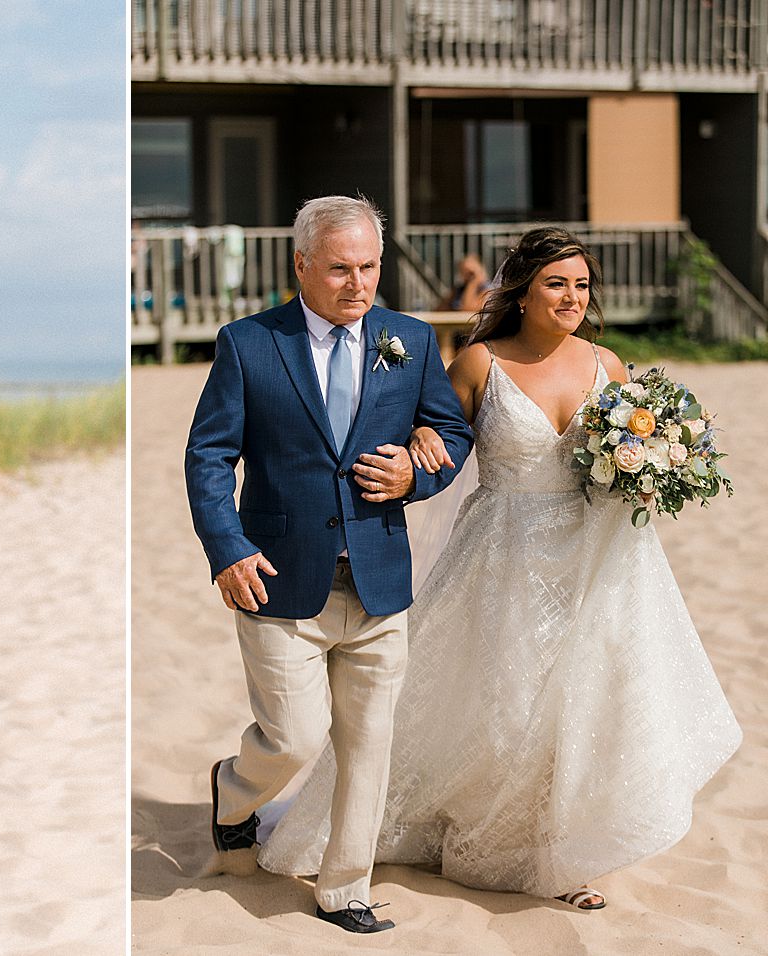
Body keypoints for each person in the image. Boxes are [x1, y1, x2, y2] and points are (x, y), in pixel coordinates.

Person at [258, 226, 742, 911]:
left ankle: (561, 857)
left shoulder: (609, 363)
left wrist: (654, 473)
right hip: (502, 554)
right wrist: (418, 443)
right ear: (522, 292)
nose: (573, 297)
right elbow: (432, 436)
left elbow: (631, 451)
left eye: (581, 285)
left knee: (582, 701)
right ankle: (485, 833)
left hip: (598, 558)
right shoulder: (479, 363)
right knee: (507, 703)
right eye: (556, 284)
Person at [184, 195, 474, 934]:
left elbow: (449, 430)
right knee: (294, 738)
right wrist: (227, 548)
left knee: (369, 745)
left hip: (379, 578)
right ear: (302, 264)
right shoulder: (248, 344)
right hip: (279, 578)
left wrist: (419, 474)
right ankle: (233, 787)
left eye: (370, 267)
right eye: (341, 268)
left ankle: (346, 888)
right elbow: (210, 455)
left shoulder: (406, 339)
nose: (358, 284)